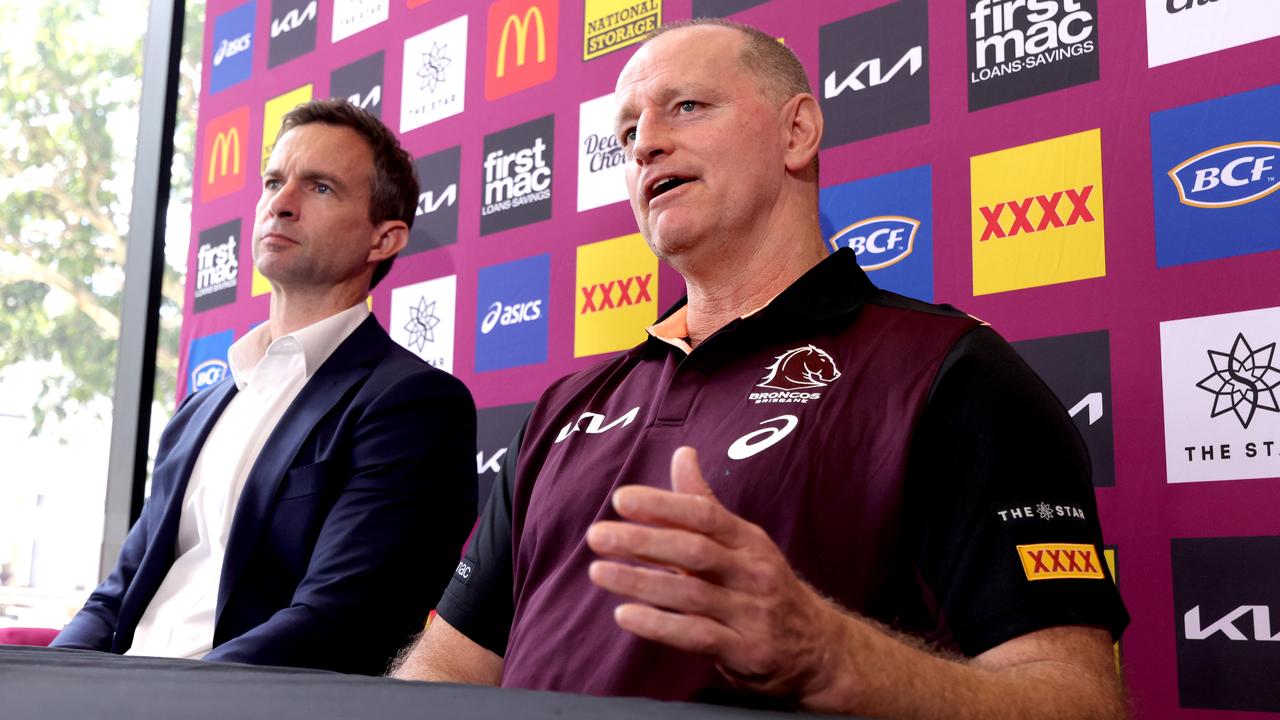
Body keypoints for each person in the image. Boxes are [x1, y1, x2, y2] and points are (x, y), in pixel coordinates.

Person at [391, 19, 1129, 718]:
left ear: (797, 131)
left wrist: (830, 652)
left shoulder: (948, 371)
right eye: (626, 133)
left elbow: (1076, 702)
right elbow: (446, 671)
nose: (645, 143)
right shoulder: (565, 407)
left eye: (684, 107)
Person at [53, 99, 477, 676]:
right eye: (273, 182)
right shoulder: (200, 408)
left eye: (320, 187)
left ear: (384, 239)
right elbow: (116, 595)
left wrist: (152, 702)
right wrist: (51, 684)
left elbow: (337, 621)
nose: (281, 203)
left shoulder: (414, 405)